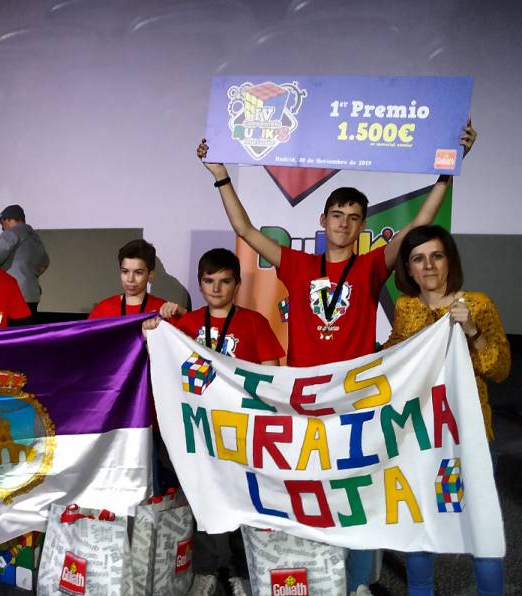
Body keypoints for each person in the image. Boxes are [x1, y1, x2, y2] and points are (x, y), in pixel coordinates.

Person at [197, 122, 476, 594]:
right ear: (323, 221)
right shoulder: (297, 264)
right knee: (306, 482)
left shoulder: (369, 266)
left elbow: (414, 229)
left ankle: (358, 581)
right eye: (336, 215)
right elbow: (243, 229)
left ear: (361, 226)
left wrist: (446, 175)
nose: (344, 223)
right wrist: (220, 173)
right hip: (305, 398)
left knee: (358, 488)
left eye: (353, 217)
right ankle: (305, 569)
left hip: (356, 395)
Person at [145, 248, 284, 596]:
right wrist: (155, 323)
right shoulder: (185, 324)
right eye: (209, 281)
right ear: (200, 283)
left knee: (241, 498)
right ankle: (206, 569)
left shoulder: (254, 322)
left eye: (225, 281)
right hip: (197, 431)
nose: (216, 288)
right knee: (202, 500)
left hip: (239, 430)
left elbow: (271, 376)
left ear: (236, 283)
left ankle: (241, 570)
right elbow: (157, 358)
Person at [383, 225, 510, 596]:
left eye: (436, 256)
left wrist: (471, 330)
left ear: (449, 259)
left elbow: (499, 369)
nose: (428, 266)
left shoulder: (478, 304)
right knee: (421, 526)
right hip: (421, 439)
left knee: (478, 524)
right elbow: (394, 355)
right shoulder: (406, 307)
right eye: (418, 259)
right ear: (408, 268)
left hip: (468, 438)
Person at [0, 204, 49, 317]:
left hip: (13, 295)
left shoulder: (11, 233)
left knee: (9, 333)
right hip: (32, 295)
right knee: (26, 333)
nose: (2, 228)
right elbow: (45, 264)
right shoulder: (35, 238)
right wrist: (28, 274)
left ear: (8, 219)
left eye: (2, 223)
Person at [88, 238, 167, 318]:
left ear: (150, 275)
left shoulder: (164, 310)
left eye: (138, 272)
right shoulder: (103, 309)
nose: (130, 279)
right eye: (125, 271)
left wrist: (180, 311)